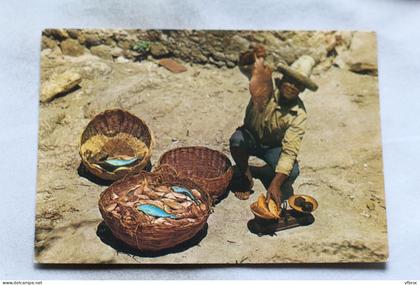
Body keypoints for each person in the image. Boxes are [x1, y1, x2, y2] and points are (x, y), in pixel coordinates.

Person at [229, 45, 318, 208]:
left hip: (272, 147)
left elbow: (290, 151)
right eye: (289, 81)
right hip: (249, 137)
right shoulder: (266, 86)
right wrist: (251, 57)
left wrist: (275, 185)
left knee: (292, 171)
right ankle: (246, 176)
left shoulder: (299, 114)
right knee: (236, 140)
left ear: (302, 89)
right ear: (281, 79)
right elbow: (247, 69)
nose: (291, 86)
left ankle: (269, 175)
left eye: (297, 84)